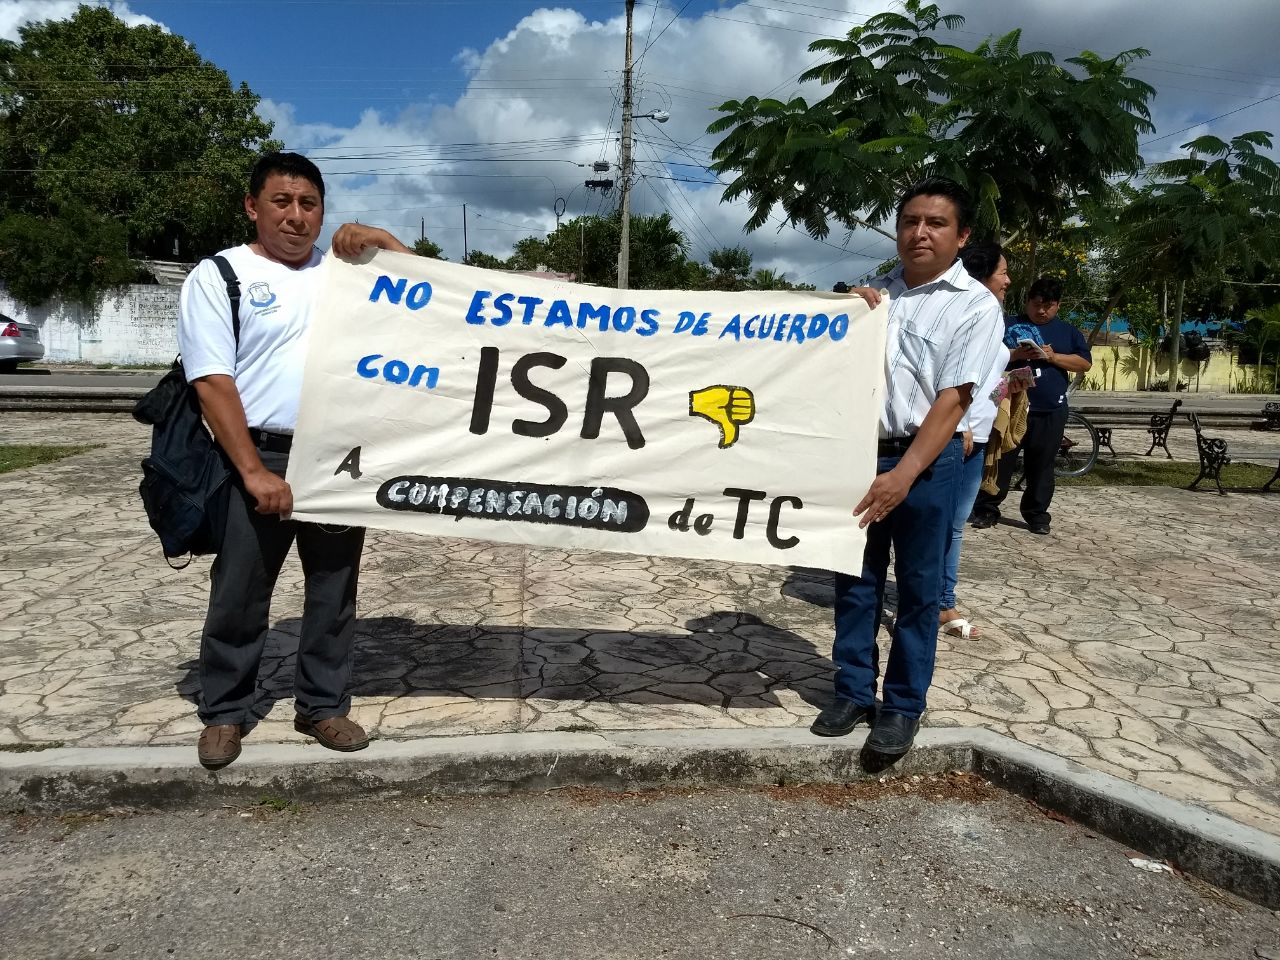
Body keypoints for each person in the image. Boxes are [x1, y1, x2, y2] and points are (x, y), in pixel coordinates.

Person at [179, 151, 412, 770]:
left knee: (334, 589)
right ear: (252, 207)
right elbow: (211, 382)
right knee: (240, 589)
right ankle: (225, 712)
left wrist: (384, 242)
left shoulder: (344, 273)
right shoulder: (220, 275)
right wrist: (254, 471)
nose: (295, 216)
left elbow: (432, 303)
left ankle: (322, 705)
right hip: (256, 451)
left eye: (309, 203)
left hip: (335, 454)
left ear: (323, 212)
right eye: (281, 201)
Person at [811, 178, 1004, 756]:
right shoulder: (876, 297)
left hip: (928, 461)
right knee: (854, 581)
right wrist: (847, 315)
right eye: (910, 222)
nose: (920, 233)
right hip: (860, 454)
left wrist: (903, 475)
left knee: (919, 590)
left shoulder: (975, 306)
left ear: (962, 236)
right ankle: (851, 691)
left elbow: (955, 399)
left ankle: (901, 707)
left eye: (936, 223)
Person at [970, 276, 1092, 536]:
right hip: (1009, 405)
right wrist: (1016, 354)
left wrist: (1053, 357)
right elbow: (983, 355)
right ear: (1027, 302)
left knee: (1042, 464)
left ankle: (1037, 514)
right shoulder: (1007, 324)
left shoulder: (1067, 332)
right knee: (1000, 458)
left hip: (1049, 409)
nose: (1041, 311)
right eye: (1036, 304)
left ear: (1058, 305)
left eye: (1048, 306)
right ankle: (987, 508)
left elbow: (1084, 363)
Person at [938, 242, 1012, 641]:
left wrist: (1009, 387)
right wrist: (961, 423)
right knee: (944, 524)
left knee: (955, 524)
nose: (1008, 281)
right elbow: (953, 376)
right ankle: (941, 602)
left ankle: (940, 598)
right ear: (983, 276)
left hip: (978, 434)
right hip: (959, 434)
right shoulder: (966, 311)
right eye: (1003, 273)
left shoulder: (992, 315)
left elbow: (986, 379)